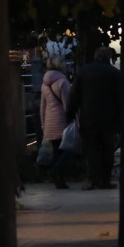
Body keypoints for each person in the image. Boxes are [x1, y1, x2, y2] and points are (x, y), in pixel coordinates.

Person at [66, 46, 123, 190]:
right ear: (109, 57)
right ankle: (105, 180)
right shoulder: (115, 73)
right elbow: (120, 98)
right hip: (109, 118)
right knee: (107, 150)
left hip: (88, 117)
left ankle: (93, 179)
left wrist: (70, 114)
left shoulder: (84, 72)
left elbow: (74, 96)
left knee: (91, 150)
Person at [39, 55, 74, 189]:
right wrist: (72, 120)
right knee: (68, 151)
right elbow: (67, 104)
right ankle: (56, 171)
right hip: (62, 121)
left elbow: (43, 106)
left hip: (49, 121)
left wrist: (43, 123)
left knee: (57, 152)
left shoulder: (44, 83)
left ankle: (59, 181)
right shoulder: (62, 82)